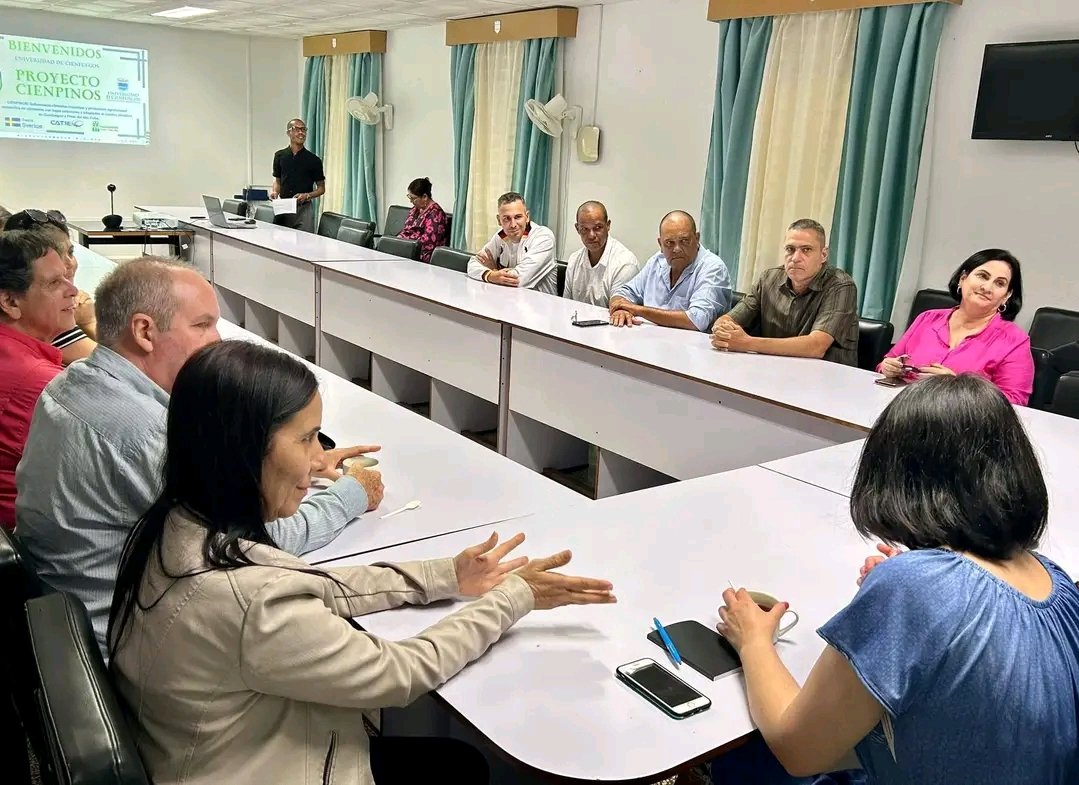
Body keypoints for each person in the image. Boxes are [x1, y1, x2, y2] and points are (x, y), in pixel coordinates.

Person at [107, 339, 616, 785]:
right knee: (460, 765)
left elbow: (309, 583)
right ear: (244, 449)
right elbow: (400, 672)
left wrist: (444, 577)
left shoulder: (177, 522)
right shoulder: (251, 601)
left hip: (212, 755)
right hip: (265, 764)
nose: (320, 460)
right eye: (306, 438)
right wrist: (513, 598)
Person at [714, 374, 1079, 785]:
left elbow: (796, 749)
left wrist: (753, 640)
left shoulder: (914, 587)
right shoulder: (1057, 581)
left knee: (748, 757)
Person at [16, 257, 382, 654]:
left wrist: (294, 461)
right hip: (124, 647)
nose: (217, 341)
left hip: (58, 625)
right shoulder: (148, 433)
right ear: (144, 331)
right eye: (202, 325)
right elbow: (258, 541)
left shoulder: (70, 384)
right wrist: (352, 493)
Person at [878, 249, 1033, 405]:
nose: (987, 287)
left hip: (962, 424)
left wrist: (957, 387)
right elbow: (886, 363)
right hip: (903, 410)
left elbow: (1015, 402)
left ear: (1006, 296)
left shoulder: (1015, 341)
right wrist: (888, 367)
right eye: (982, 276)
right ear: (962, 279)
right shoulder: (927, 318)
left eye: (999, 283)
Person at [0, 231, 77, 529]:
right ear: (9, 300)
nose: (73, 291)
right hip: (30, 545)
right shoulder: (41, 383)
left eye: (67, 278)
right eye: (54, 283)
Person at [711, 219, 858, 365]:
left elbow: (816, 346)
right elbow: (728, 319)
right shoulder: (769, 279)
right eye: (790, 249)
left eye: (806, 250)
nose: (795, 258)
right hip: (775, 370)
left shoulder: (841, 285)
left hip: (828, 380)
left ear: (823, 255)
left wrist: (746, 343)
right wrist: (724, 330)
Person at [608, 210, 730, 331]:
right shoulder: (657, 262)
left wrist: (636, 309)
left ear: (697, 238)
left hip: (692, 347)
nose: (677, 249)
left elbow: (697, 320)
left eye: (684, 241)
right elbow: (624, 292)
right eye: (669, 243)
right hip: (649, 342)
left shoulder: (713, 268)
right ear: (660, 244)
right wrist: (621, 309)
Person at [4, 209, 97, 364]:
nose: (69, 263)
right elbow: (126, 369)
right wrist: (90, 321)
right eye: (58, 255)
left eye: (70, 252)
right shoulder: (47, 316)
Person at [467, 192, 558, 294]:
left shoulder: (543, 237)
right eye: (506, 219)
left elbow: (518, 280)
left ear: (527, 217)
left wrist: (494, 270)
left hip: (541, 306)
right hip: (507, 300)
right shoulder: (500, 236)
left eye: (518, 217)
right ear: (499, 220)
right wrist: (489, 275)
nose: (513, 224)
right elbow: (473, 264)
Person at [562, 201, 640, 307]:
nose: (591, 235)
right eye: (584, 229)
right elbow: (566, 305)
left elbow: (619, 312)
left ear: (608, 226)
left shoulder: (625, 263)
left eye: (598, 228)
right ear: (577, 229)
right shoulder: (574, 259)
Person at [270, 118, 325, 233]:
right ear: (289, 133)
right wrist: (275, 192)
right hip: (284, 206)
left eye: (303, 129)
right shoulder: (280, 156)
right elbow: (278, 181)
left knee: (304, 244)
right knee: (279, 242)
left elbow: (321, 189)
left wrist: (307, 195)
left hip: (304, 209)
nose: (301, 133)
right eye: (297, 129)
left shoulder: (314, 160)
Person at [396, 177, 449, 263]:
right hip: (406, 249)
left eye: (413, 198)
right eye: (409, 197)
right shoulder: (415, 209)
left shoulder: (436, 214)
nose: (411, 201)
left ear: (424, 197)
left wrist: (404, 245)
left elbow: (428, 243)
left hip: (422, 256)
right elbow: (407, 230)